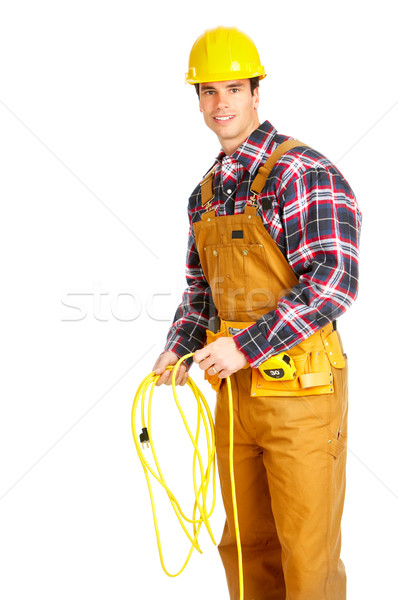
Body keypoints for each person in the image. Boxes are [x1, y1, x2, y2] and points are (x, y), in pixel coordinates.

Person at [153, 26, 361, 600]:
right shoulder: (204, 193)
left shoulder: (302, 172)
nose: (221, 103)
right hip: (235, 398)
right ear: (196, 99)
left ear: (256, 93)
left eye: (233, 89)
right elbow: (201, 295)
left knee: (306, 551)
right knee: (245, 549)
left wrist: (243, 346)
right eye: (208, 91)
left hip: (303, 394)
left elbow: (334, 283)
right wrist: (179, 346)